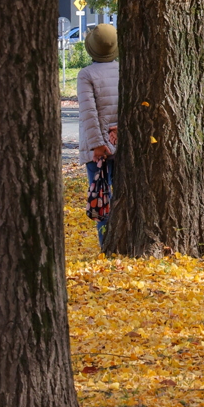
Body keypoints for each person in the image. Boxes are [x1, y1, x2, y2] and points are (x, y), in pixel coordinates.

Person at [78, 23, 118, 247]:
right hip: (119, 141)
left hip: (98, 149)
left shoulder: (86, 75)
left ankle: (107, 245)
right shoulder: (123, 69)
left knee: (102, 197)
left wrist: (97, 145)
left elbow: (89, 112)